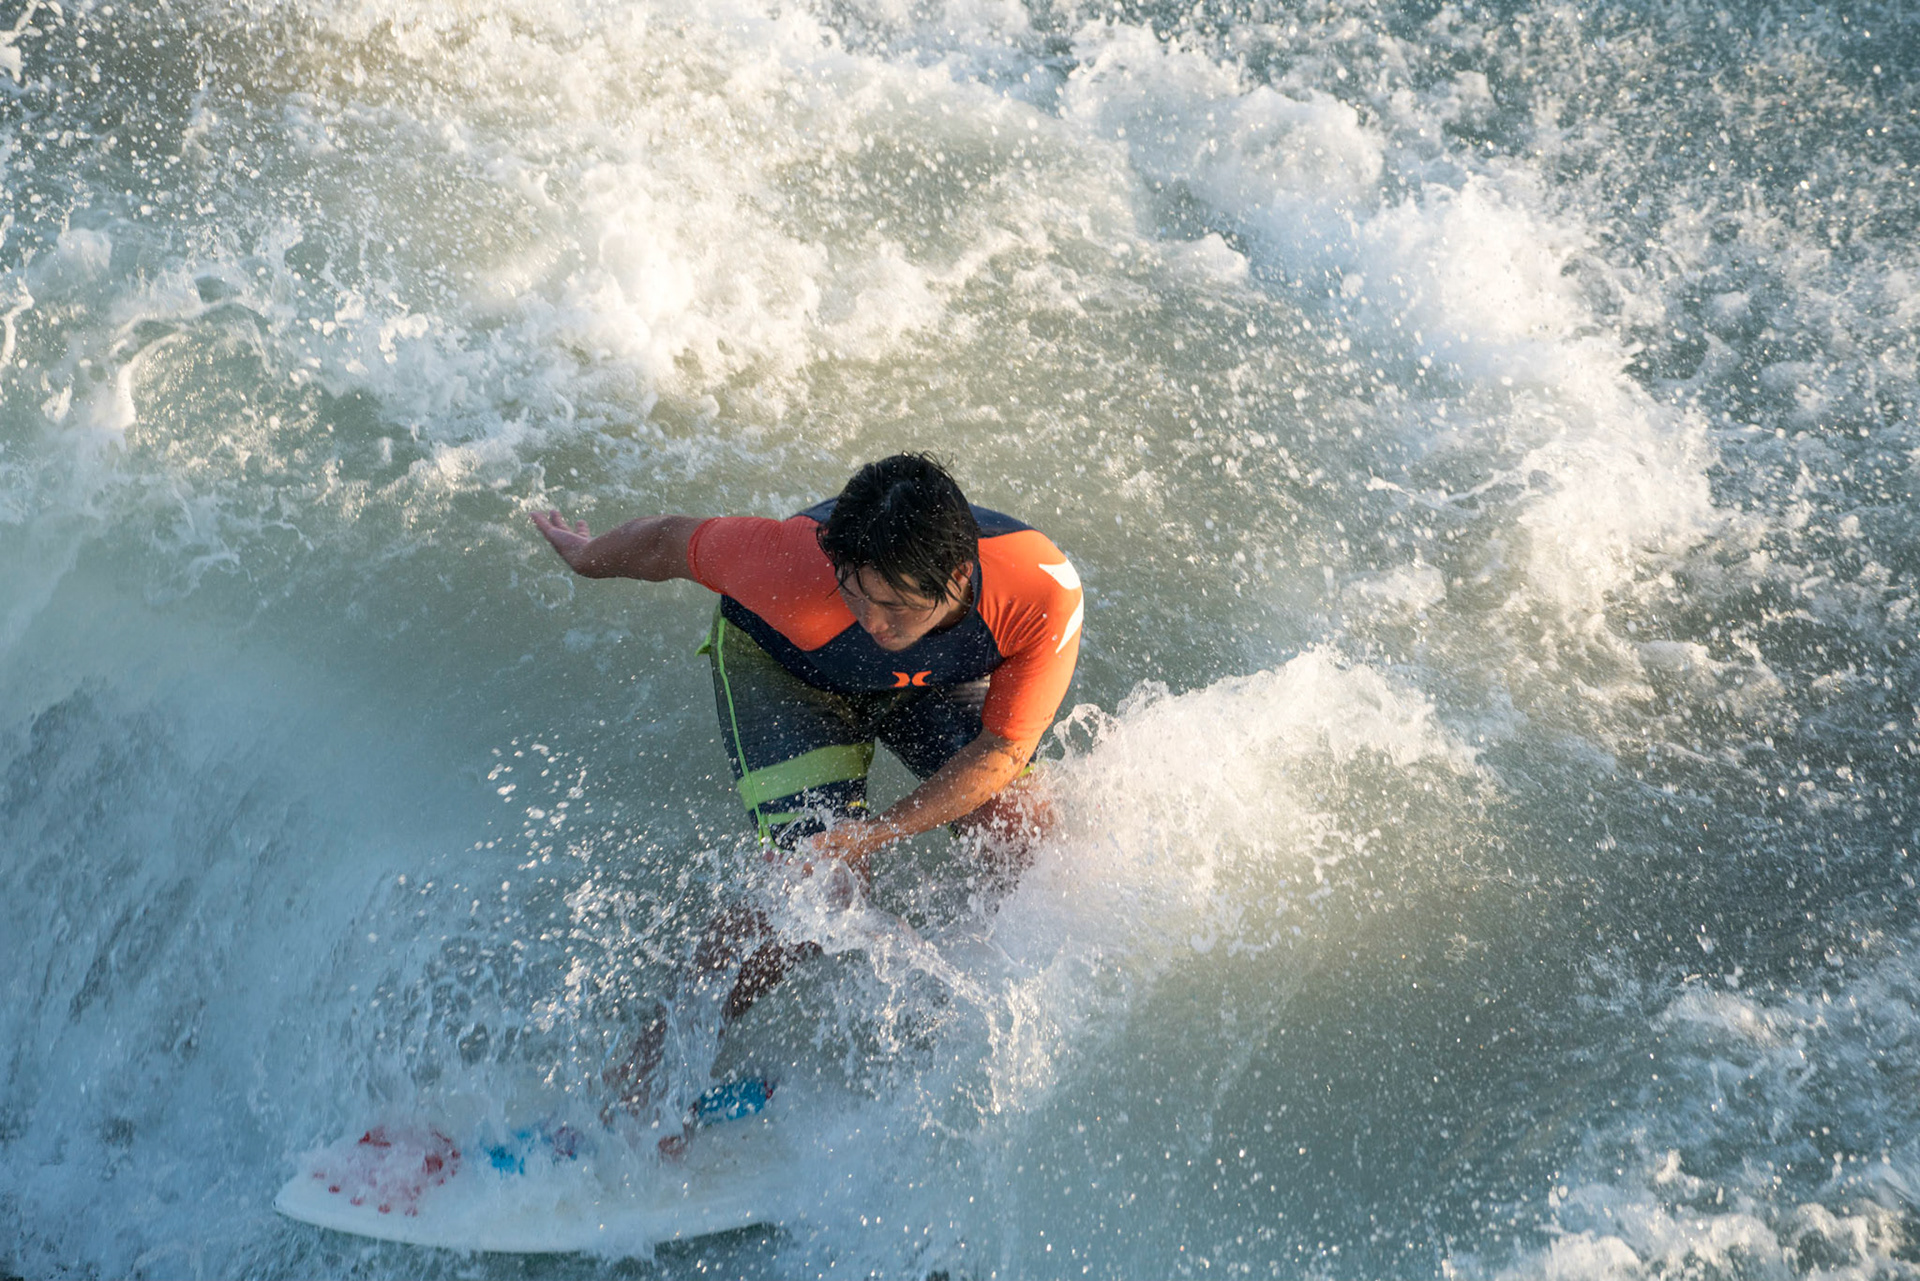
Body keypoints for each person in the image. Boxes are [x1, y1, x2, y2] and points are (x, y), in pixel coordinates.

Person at [530, 453, 1083, 1128]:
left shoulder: (1040, 587)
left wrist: (879, 829)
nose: (875, 624)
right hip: (786, 673)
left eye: (896, 605)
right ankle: (643, 1073)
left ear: (959, 577)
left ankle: (986, 1029)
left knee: (1027, 832)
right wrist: (586, 556)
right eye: (857, 595)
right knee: (821, 885)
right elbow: (670, 539)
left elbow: (1002, 748)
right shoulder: (792, 563)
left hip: (929, 683)